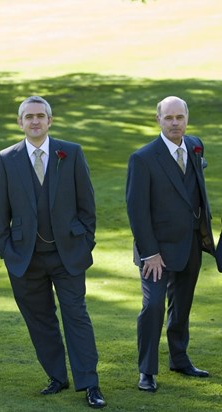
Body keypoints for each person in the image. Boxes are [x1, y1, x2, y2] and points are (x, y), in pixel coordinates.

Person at [0, 96, 106, 409]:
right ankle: (57, 377)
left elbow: (87, 204)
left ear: (50, 121)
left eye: (40, 116)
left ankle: (90, 384)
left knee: (77, 317)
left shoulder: (70, 153)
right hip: (24, 257)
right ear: (20, 123)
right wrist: (6, 249)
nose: (34, 121)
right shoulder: (5, 159)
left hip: (68, 254)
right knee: (40, 320)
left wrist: (85, 240)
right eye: (29, 117)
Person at [126, 96, 215, 392]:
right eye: (169, 118)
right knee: (152, 307)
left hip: (191, 243)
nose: (175, 123)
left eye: (179, 117)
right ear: (158, 120)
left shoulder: (195, 145)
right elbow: (136, 210)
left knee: (182, 306)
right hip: (156, 250)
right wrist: (150, 253)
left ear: (187, 119)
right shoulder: (143, 158)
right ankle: (147, 371)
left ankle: (179, 359)